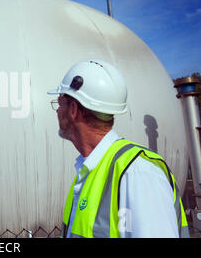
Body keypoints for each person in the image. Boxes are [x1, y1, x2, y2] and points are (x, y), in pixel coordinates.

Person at [47, 59, 189, 238]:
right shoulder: (91, 170)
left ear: (73, 109)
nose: (58, 111)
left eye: (60, 104)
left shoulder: (138, 174)